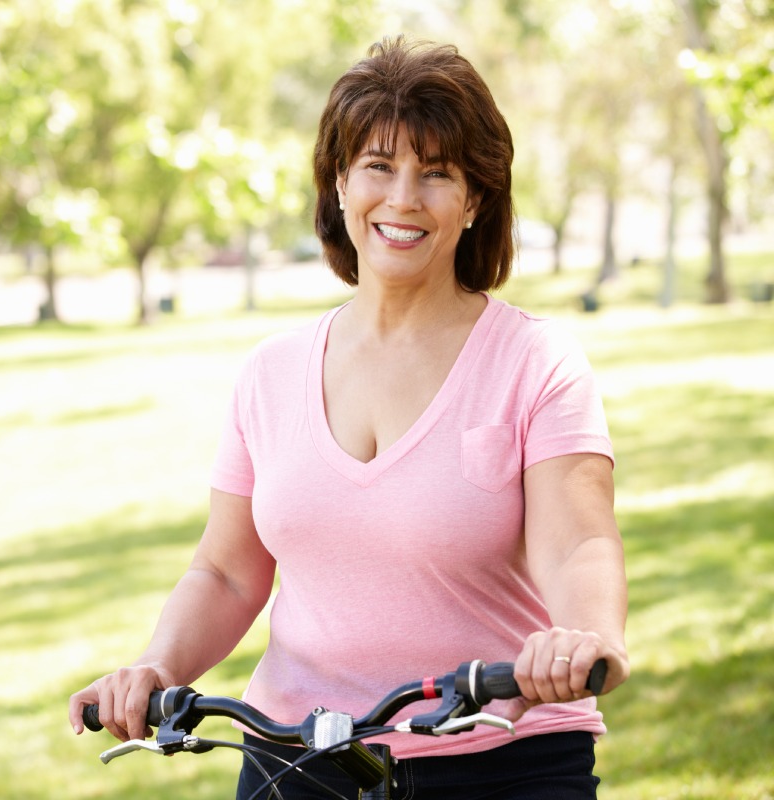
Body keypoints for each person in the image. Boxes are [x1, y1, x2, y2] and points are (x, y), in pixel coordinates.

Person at [68, 36, 629, 799]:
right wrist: (158, 666)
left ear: (475, 201)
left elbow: (578, 542)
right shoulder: (271, 373)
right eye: (378, 165)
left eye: (436, 174)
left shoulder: (535, 362)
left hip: (502, 760)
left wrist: (585, 638)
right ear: (338, 183)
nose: (402, 198)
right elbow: (228, 572)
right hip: (296, 762)